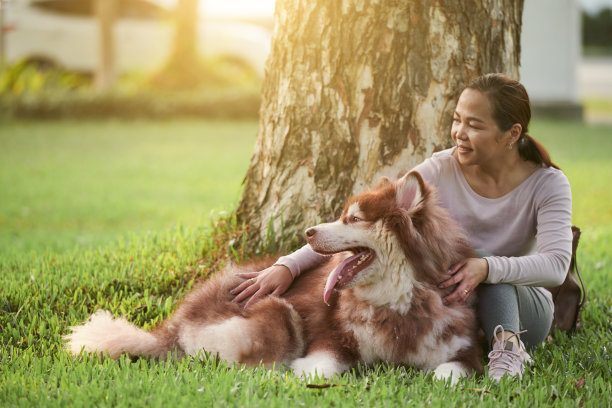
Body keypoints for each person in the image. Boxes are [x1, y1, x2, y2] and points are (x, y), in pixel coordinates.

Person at [230, 73, 573, 382]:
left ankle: (507, 349)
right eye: (456, 120)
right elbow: (374, 221)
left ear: (511, 134)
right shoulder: (441, 166)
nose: (459, 133)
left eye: (475, 125)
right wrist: (289, 265)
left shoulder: (547, 184)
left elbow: (556, 266)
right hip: (453, 296)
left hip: (519, 304)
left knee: (486, 262)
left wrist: (486, 267)